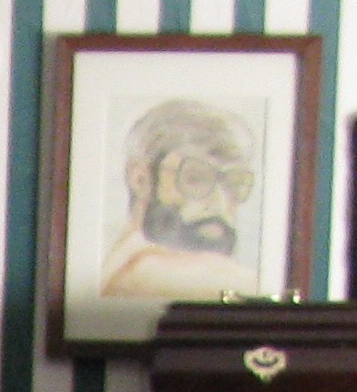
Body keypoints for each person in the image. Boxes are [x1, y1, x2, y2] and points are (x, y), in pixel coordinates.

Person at [98, 99, 256, 300]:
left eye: (234, 183)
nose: (219, 203)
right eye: (195, 178)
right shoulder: (145, 272)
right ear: (141, 179)